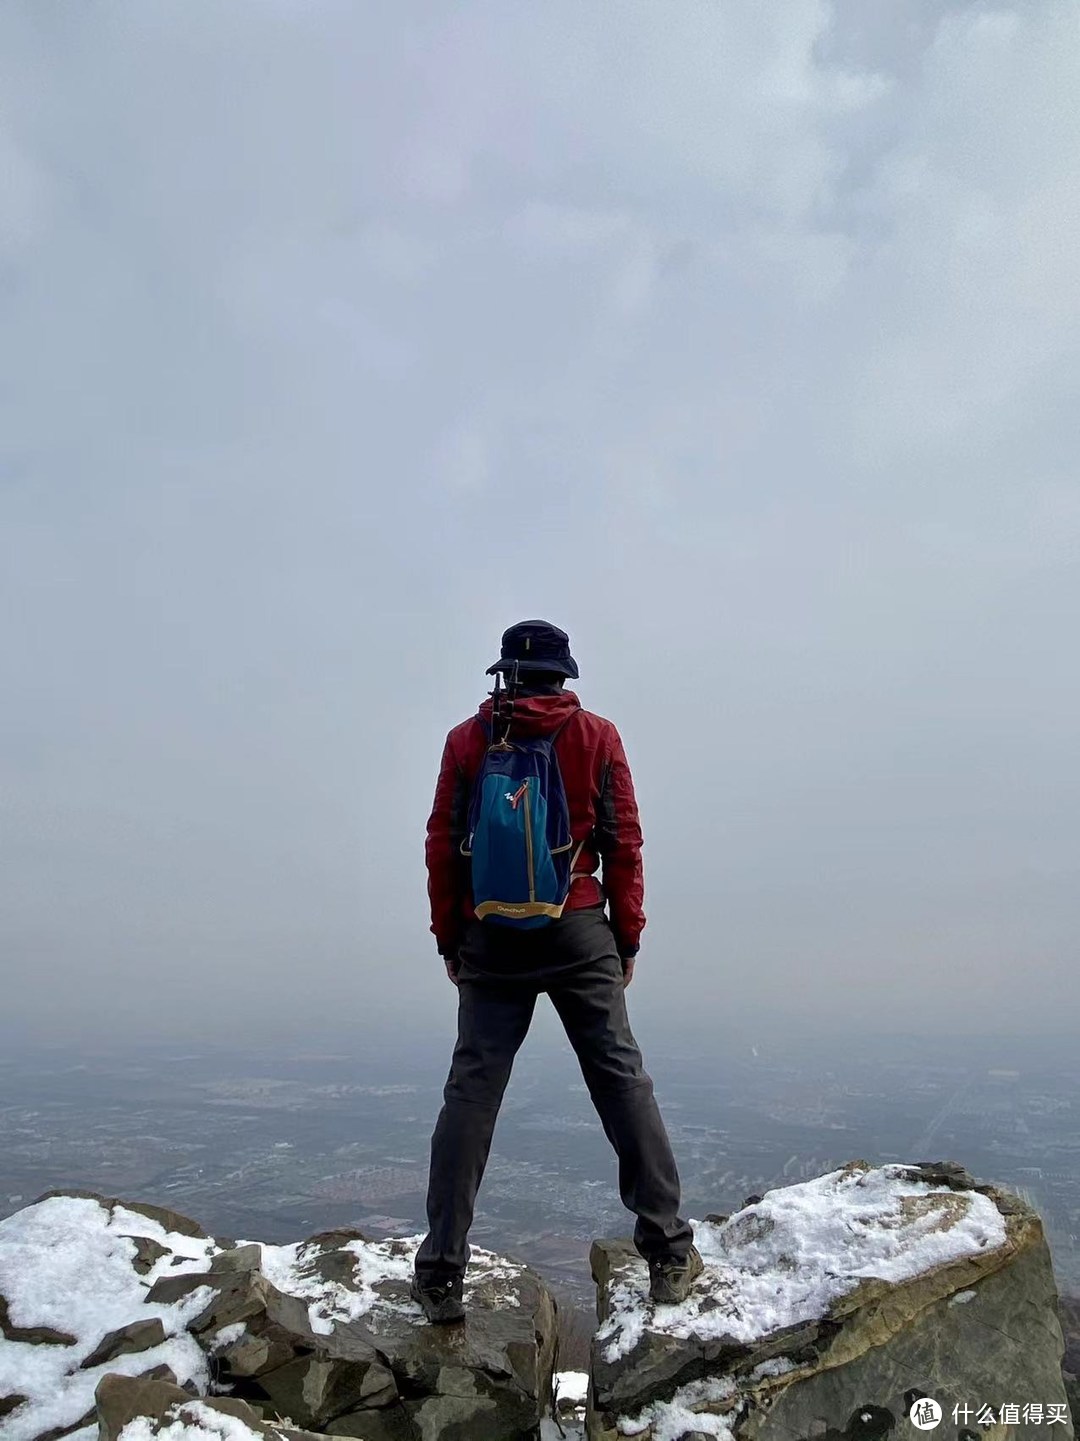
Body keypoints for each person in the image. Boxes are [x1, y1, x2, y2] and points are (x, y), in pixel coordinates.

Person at [410, 619, 702, 1323]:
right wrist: (625, 937)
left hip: (491, 934)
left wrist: (451, 938)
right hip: (576, 928)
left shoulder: (468, 739)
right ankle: (665, 1249)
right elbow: (624, 843)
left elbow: (443, 845)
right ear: (564, 676)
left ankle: (443, 1271)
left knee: (472, 1093)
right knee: (621, 1080)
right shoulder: (597, 736)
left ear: (505, 673)